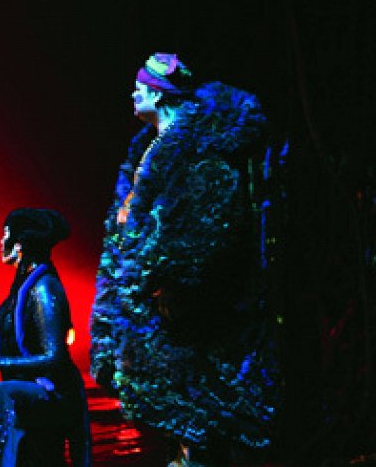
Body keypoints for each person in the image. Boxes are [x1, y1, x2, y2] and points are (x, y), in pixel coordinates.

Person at [89, 53, 278, 466]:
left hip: (186, 316)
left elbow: (208, 225)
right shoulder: (147, 150)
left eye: (139, 86)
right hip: (151, 311)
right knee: (176, 427)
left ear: (159, 94)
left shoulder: (201, 151)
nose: (132, 93)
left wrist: (167, 275)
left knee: (199, 421)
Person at [0, 208, 91, 467]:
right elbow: (9, 346)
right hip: (32, 390)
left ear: (19, 244)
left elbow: (54, 357)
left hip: (52, 393)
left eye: (6, 234)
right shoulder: (25, 286)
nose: (1, 241)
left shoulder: (44, 286)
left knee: (1, 392)